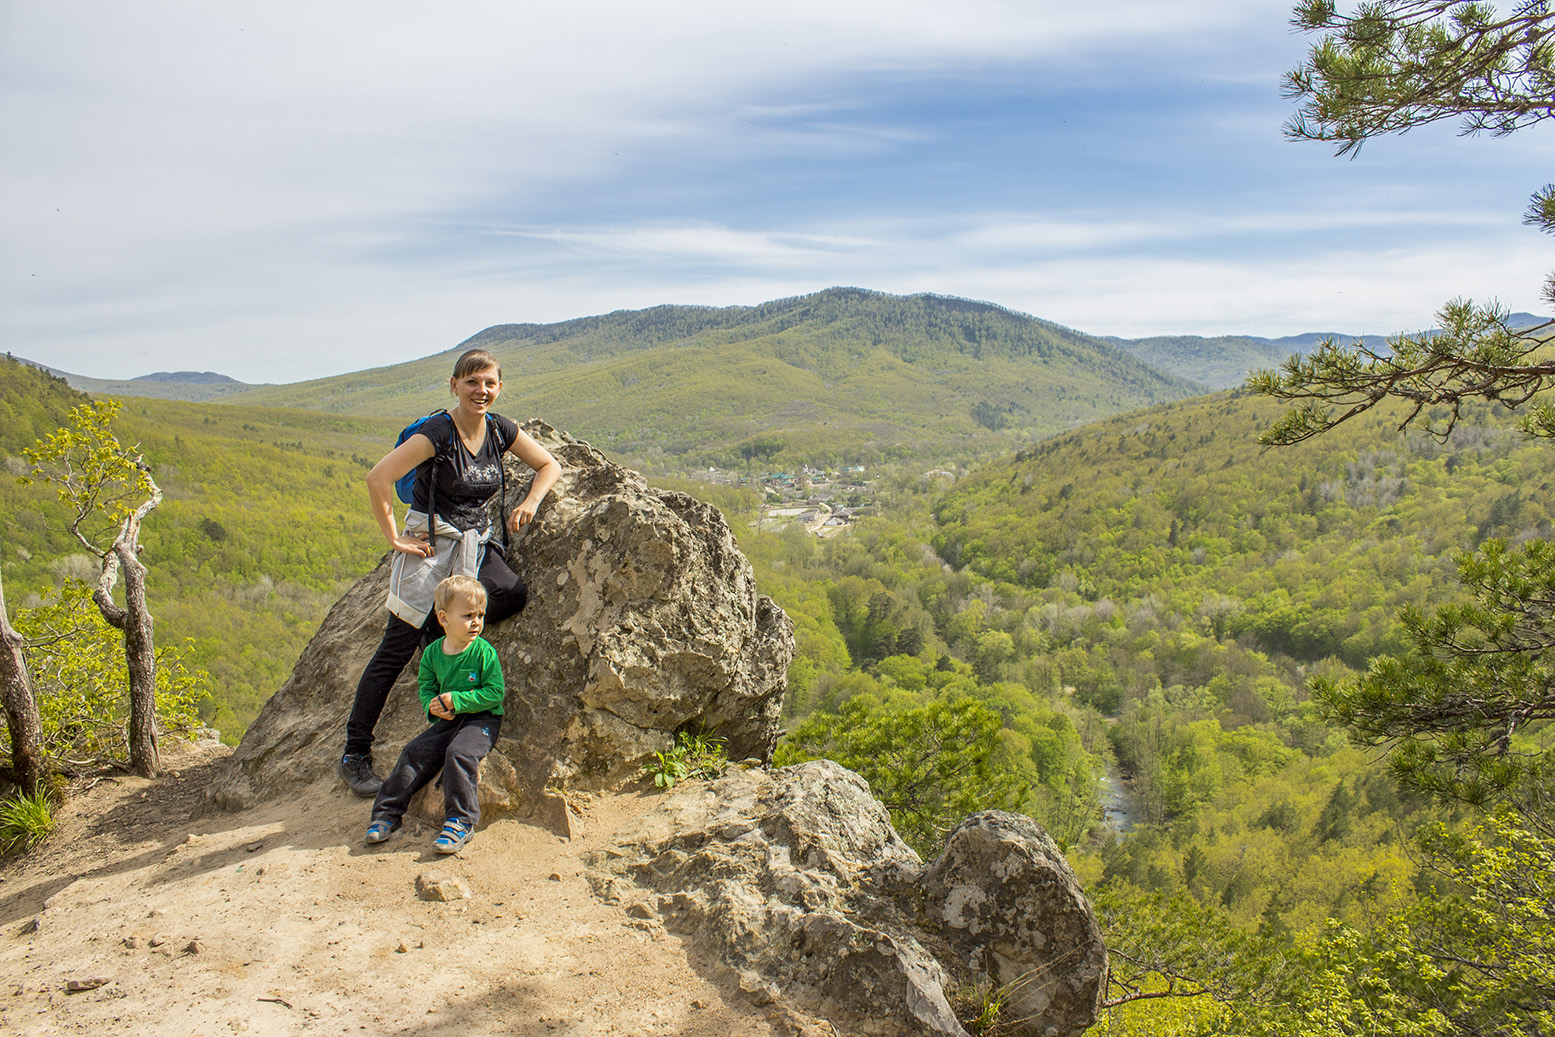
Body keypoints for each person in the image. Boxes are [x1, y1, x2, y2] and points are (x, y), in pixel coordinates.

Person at [339, 347, 560, 797]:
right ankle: (354, 752)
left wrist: (530, 501)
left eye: (490, 383)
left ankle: (437, 639)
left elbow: (548, 464)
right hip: (433, 542)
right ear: (455, 385)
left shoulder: (499, 430)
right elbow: (378, 478)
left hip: (476, 541)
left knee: (512, 594)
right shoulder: (438, 432)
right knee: (394, 648)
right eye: (472, 382)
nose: (482, 391)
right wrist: (395, 539)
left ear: (499, 388)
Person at [364, 574, 502, 853]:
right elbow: (426, 689)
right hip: (448, 719)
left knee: (460, 753)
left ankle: (460, 821)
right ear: (443, 618)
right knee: (414, 751)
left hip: (482, 720)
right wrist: (433, 705)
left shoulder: (483, 652)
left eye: (480, 615)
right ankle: (386, 814)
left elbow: (495, 694)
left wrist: (458, 700)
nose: (476, 622)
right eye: (467, 615)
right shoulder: (431, 655)